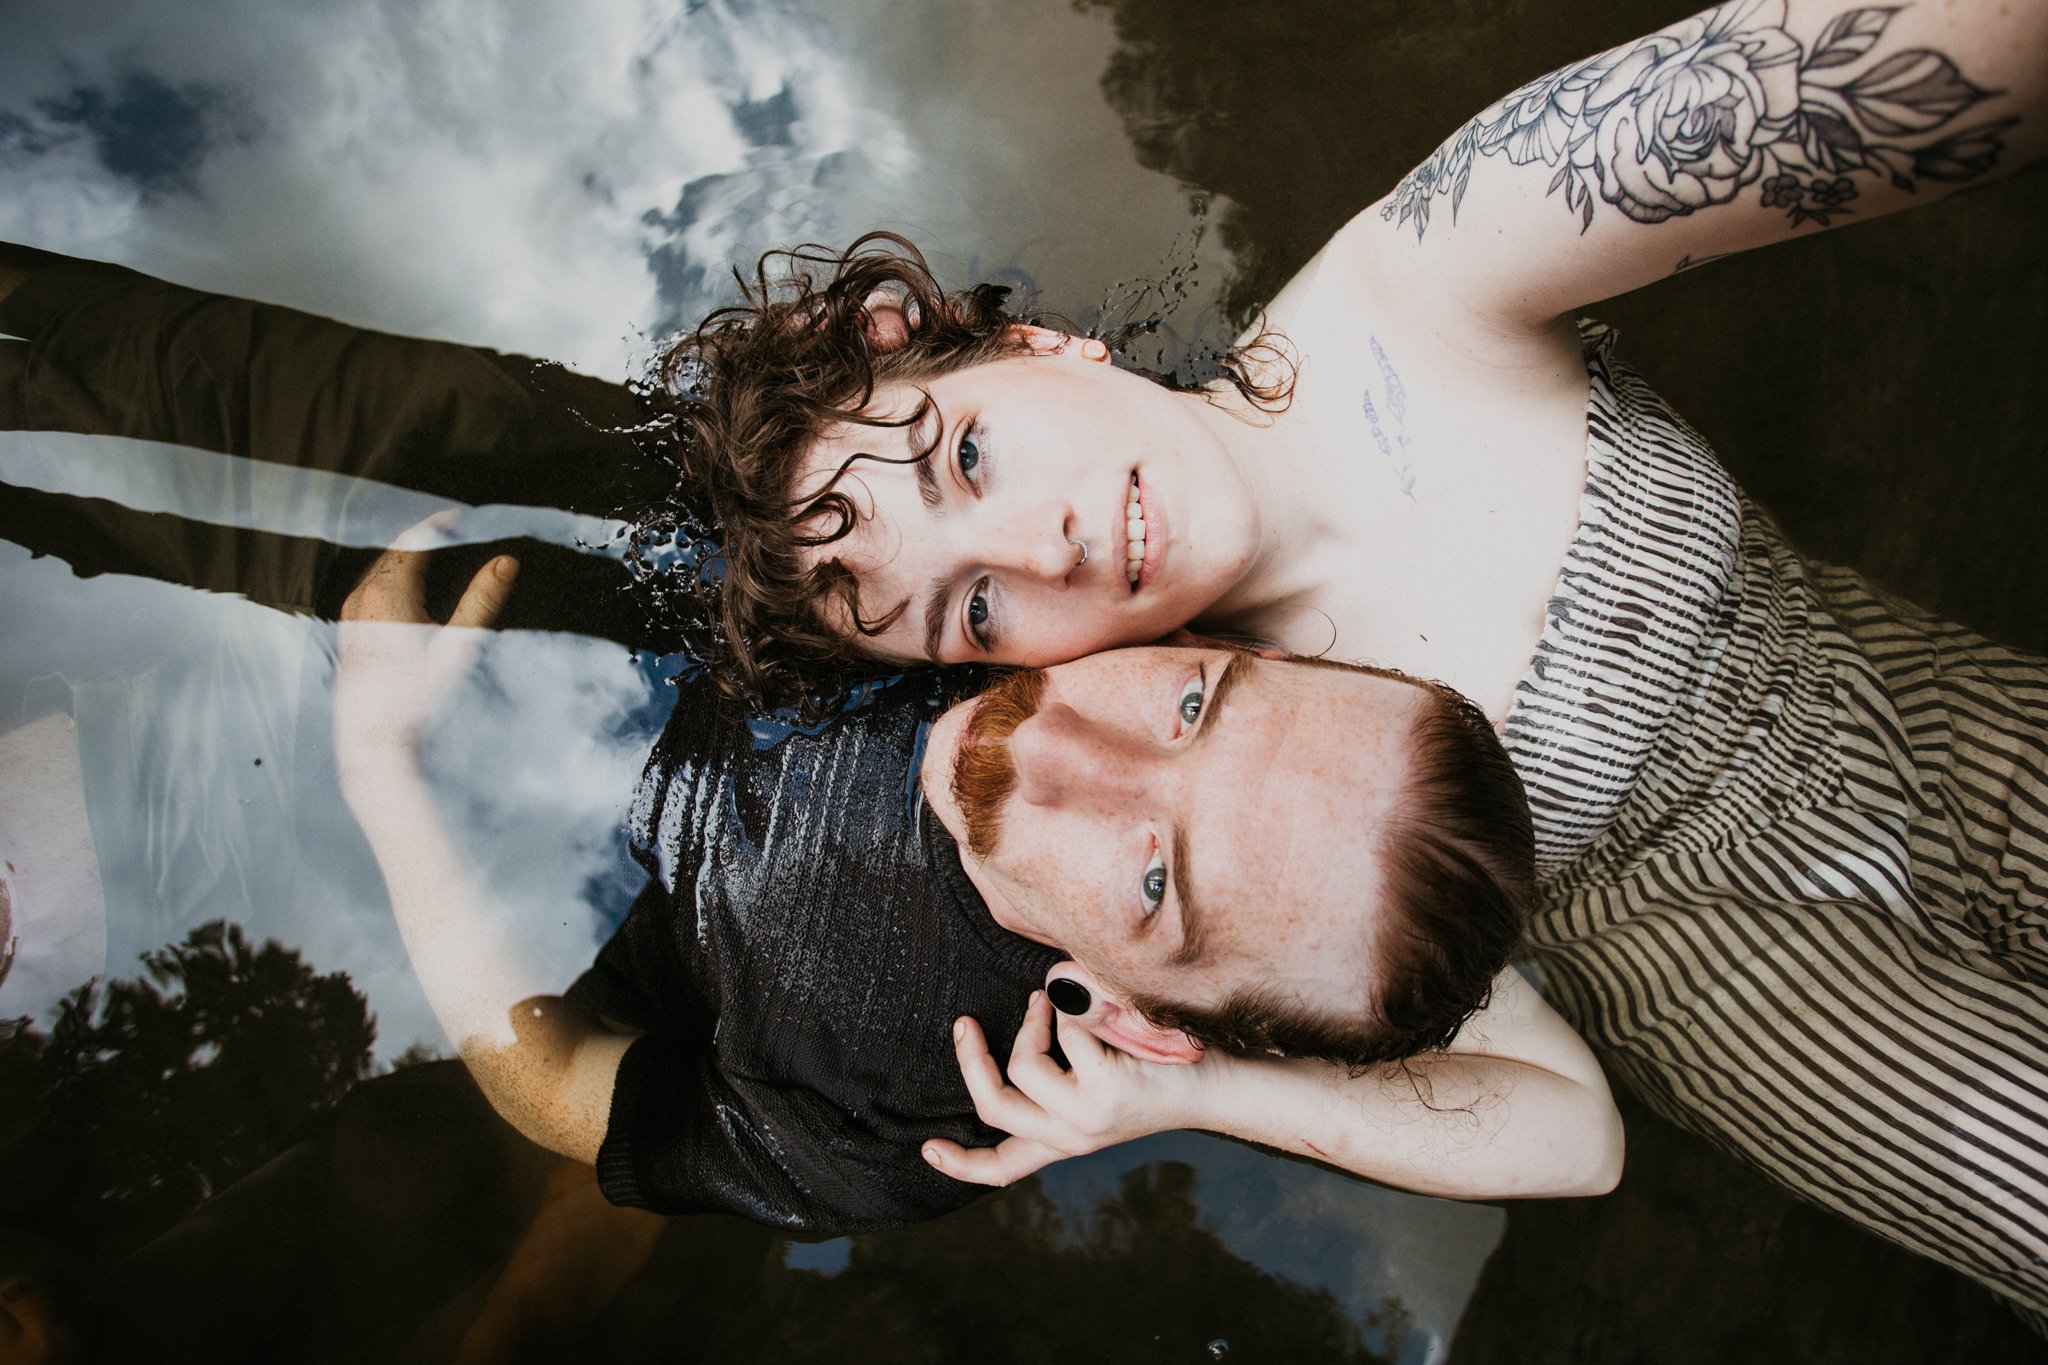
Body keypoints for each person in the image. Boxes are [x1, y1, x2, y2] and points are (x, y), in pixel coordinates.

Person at [662, 0, 2048, 1325]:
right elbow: (1569, 1125)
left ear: (1034, 344)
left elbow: (1888, 68)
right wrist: (1184, 1096)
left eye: (969, 454)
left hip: (1941, 715)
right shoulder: (1247, 789)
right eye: (972, 610)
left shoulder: (1420, 280)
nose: (1048, 545)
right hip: (1771, 1011)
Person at [0, 242, 1620, 1237]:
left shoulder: (940, 1103)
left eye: (1150, 874)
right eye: (1194, 700)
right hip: (487, 518)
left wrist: (381, 786)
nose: (1071, 744)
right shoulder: (1070, 601)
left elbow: (569, 1093)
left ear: (1161, 1007)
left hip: (290, 812)